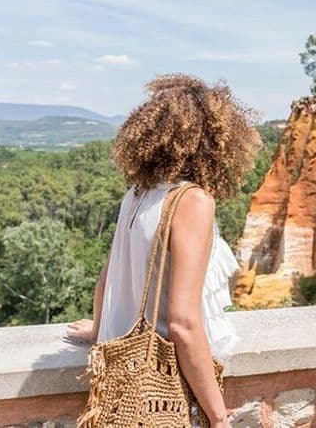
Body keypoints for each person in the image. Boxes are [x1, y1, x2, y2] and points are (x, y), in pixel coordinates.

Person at [67, 74, 260, 428]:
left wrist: (99, 329)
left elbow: (108, 276)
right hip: (162, 384)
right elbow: (183, 323)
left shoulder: (137, 195)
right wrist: (218, 417)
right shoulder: (191, 201)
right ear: (215, 140)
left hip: (118, 382)